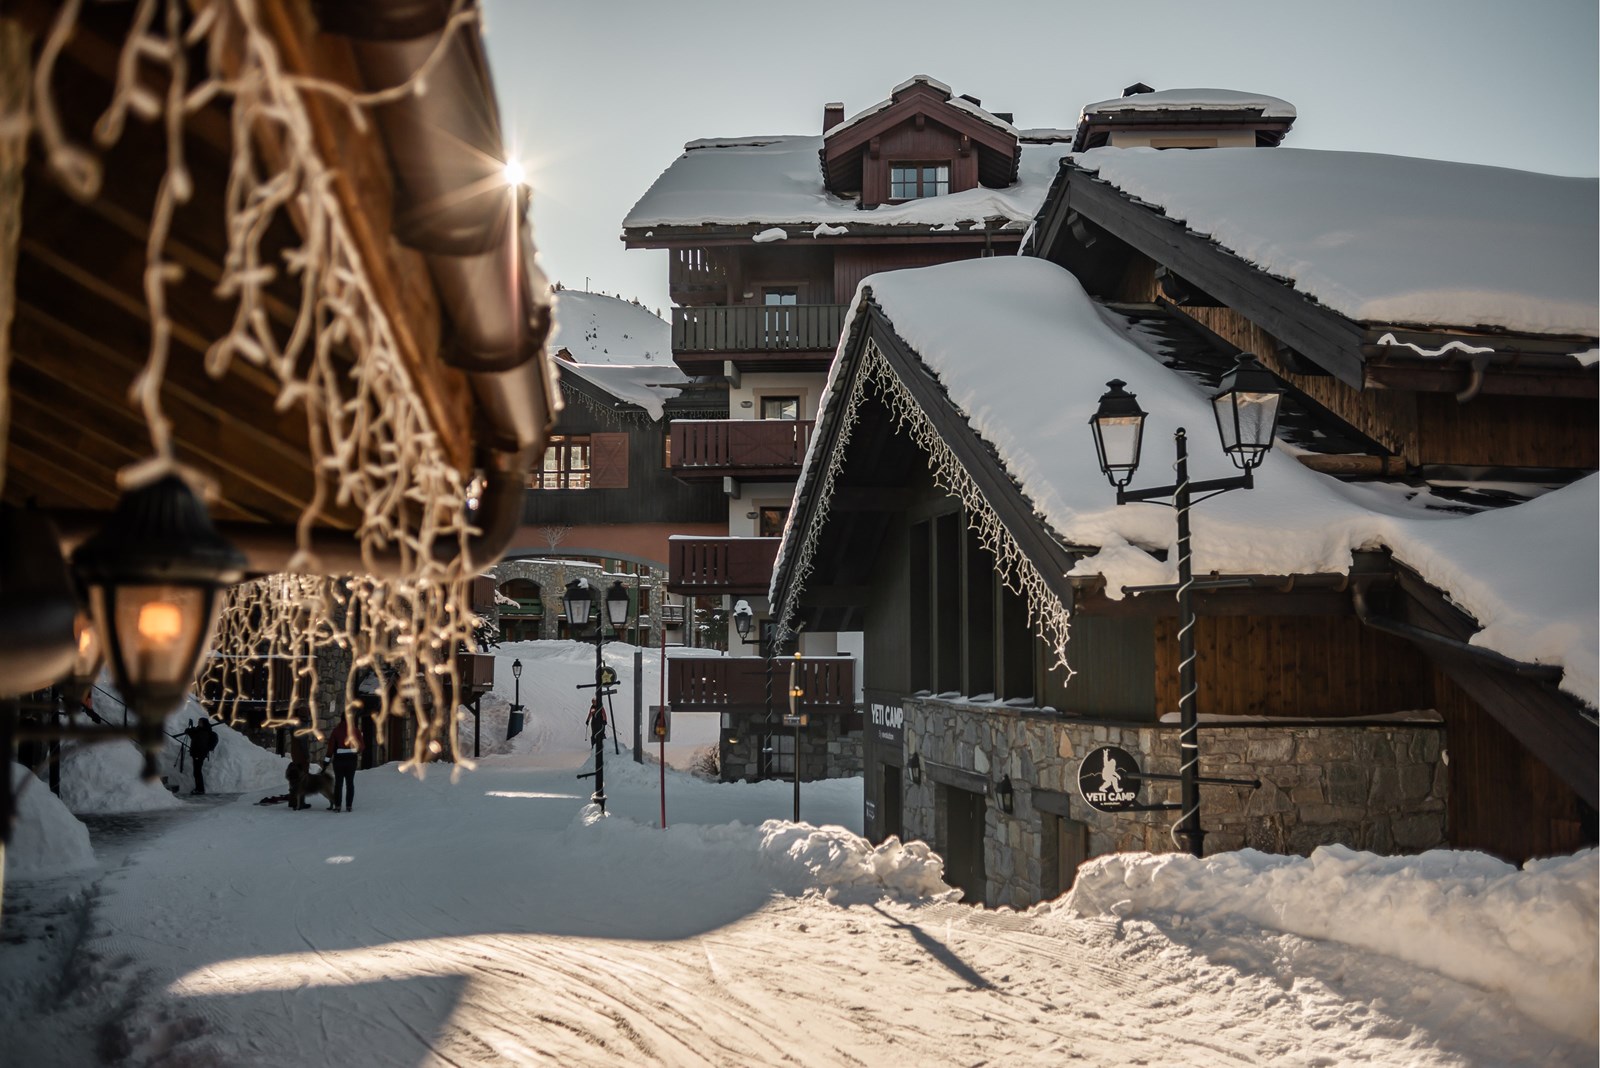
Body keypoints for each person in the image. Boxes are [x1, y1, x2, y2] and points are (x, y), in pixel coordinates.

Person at [328, 714, 362, 812]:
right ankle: (349, 806)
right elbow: (361, 746)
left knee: (338, 784)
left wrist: (326, 760)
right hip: (351, 761)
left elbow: (330, 748)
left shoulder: (336, 731)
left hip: (338, 761)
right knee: (350, 783)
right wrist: (356, 751)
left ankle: (338, 806)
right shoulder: (356, 731)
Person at [181, 717, 217, 795]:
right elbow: (193, 737)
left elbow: (200, 742)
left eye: (200, 722)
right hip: (197, 753)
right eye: (198, 721)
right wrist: (189, 731)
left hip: (199, 754)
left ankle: (200, 789)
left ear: (204, 723)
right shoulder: (199, 730)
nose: (198, 723)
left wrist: (201, 751)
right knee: (196, 772)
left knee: (197, 772)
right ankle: (199, 789)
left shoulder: (204, 732)